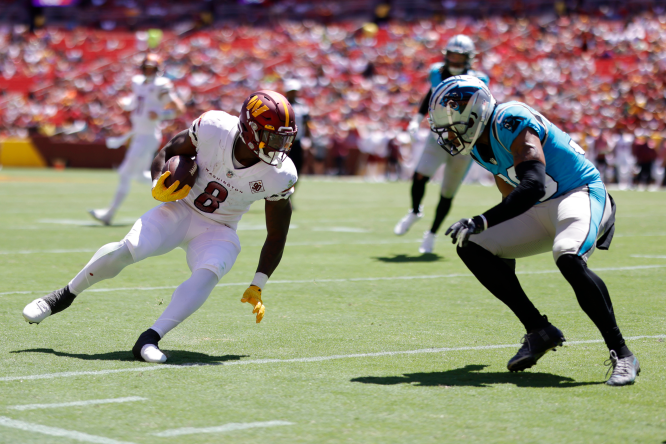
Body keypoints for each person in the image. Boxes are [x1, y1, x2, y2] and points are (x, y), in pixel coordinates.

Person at [23, 90, 298, 364]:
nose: (280, 147)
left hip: (219, 228)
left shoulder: (281, 174)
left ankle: (150, 338)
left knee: (209, 273)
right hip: (178, 208)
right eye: (274, 138)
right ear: (249, 129)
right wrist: (158, 184)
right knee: (127, 249)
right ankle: (62, 296)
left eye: (285, 139)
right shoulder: (214, 127)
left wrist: (258, 284)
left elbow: (277, 232)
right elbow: (168, 151)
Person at [430, 76, 639, 386]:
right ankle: (538, 331)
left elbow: (532, 184)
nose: (450, 129)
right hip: (539, 207)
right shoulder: (478, 146)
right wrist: (496, 245)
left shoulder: (510, 119)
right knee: (471, 243)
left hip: (578, 193)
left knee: (567, 256)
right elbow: (510, 194)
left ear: (475, 111)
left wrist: (482, 219)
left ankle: (622, 354)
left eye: (454, 118)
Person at [394, 35, 489, 254]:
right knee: (420, 176)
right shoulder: (437, 72)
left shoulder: (478, 79)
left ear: (468, 58)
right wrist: (416, 120)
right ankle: (415, 210)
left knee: (447, 192)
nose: (455, 60)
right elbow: (430, 96)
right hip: (439, 135)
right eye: (452, 55)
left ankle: (432, 234)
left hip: (465, 141)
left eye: (459, 56)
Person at [89, 53, 186, 226]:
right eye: (146, 68)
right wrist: (126, 104)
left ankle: (109, 214)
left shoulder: (161, 85)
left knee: (125, 173)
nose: (148, 71)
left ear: (157, 69)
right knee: (141, 176)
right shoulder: (138, 83)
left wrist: (163, 114)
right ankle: (177, 189)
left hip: (147, 136)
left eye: (151, 68)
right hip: (139, 134)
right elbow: (135, 103)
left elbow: (179, 109)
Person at [284, 79, 311, 199]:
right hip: (282, 143)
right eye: (291, 91)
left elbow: (307, 125)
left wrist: (308, 141)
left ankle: (290, 196)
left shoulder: (302, 106)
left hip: (297, 142)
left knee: (296, 169)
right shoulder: (281, 104)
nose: (293, 93)